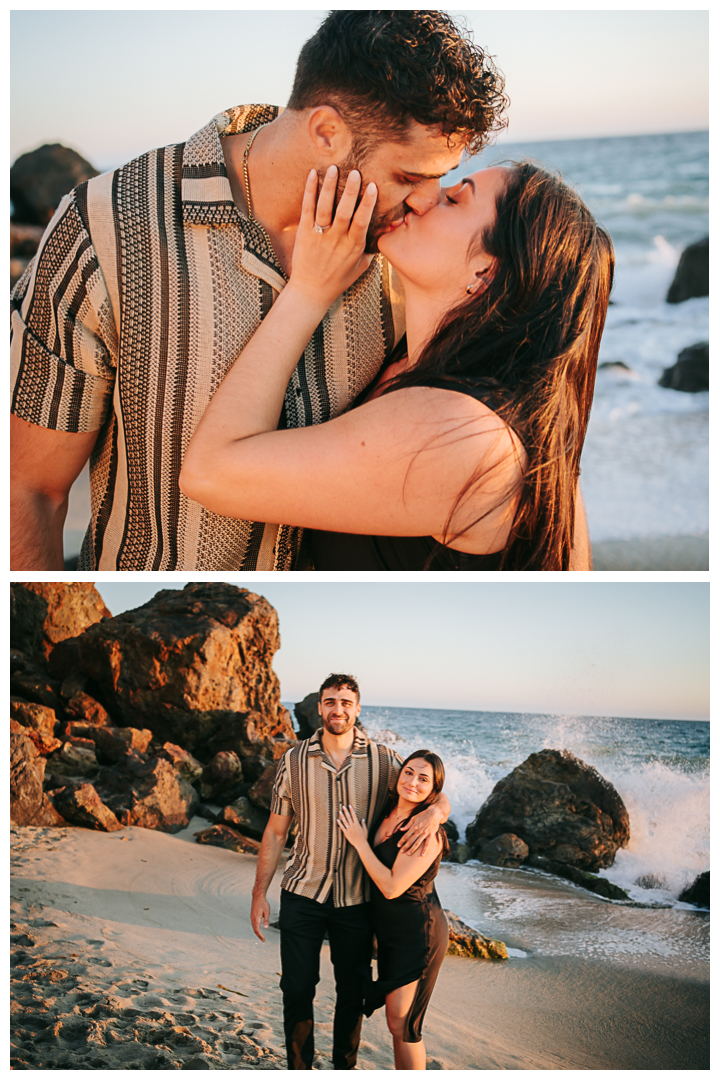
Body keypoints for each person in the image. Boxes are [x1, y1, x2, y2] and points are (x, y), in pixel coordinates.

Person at [10, 10, 507, 570]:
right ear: (326, 132)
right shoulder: (106, 227)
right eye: (410, 178)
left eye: (443, 180)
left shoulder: (408, 259)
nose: (424, 202)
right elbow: (31, 491)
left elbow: (532, 424)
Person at [180, 156, 613, 570]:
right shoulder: (419, 370)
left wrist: (310, 290)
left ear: (485, 274)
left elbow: (209, 474)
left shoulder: (466, 437)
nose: (424, 196)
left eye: (455, 198)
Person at [250, 674, 451, 1070]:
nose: (337, 709)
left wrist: (435, 812)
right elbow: (275, 833)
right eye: (329, 702)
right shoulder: (292, 761)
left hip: (357, 901)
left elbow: (427, 782)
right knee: (296, 989)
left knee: (352, 996)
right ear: (318, 707)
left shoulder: (384, 761)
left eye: (345, 702)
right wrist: (259, 893)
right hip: (302, 893)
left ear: (358, 709)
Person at [337, 750, 450, 1070]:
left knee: (406, 1027)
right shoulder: (387, 811)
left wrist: (360, 842)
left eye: (423, 778)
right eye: (409, 772)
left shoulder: (426, 831)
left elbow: (391, 886)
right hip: (389, 932)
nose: (413, 782)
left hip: (418, 933)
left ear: (433, 789)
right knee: (394, 1022)